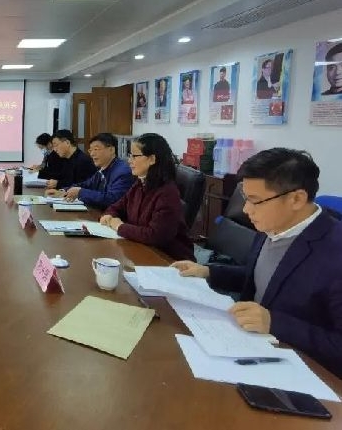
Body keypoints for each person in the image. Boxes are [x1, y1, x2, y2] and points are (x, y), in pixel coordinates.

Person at [171, 148, 342, 378]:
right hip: (247, 345)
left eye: (255, 201)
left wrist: (275, 323)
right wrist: (209, 272)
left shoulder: (334, 252)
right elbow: (264, 277)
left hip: (302, 372)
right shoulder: (273, 223)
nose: (245, 209)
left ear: (296, 199)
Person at [100, 133, 194, 261]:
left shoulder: (167, 193)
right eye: (130, 155)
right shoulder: (140, 183)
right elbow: (117, 206)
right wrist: (109, 215)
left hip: (169, 259)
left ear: (152, 159)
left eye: (134, 156)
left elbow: (155, 235)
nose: (129, 161)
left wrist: (119, 226)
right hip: (141, 249)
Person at [44, 133, 134, 210]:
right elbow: (86, 185)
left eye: (96, 149)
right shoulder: (103, 169)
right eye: (91, 150)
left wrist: (81, 192)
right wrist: (63, 191)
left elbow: (112, 199)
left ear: (111, 150)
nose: (92, 154)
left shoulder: (123, 171)